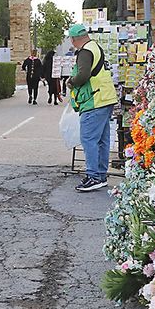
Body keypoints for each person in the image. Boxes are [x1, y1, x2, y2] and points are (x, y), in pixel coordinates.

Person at [67, 23, 118, 192]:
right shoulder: (95, 46)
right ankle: (101, 175)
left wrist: (70, 81)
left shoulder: (85, 52)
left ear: (74, 39)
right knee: (102, 140)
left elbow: (82, 75)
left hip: (94, 100)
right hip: (106, 98)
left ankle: (93, 176)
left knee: (89, 139)